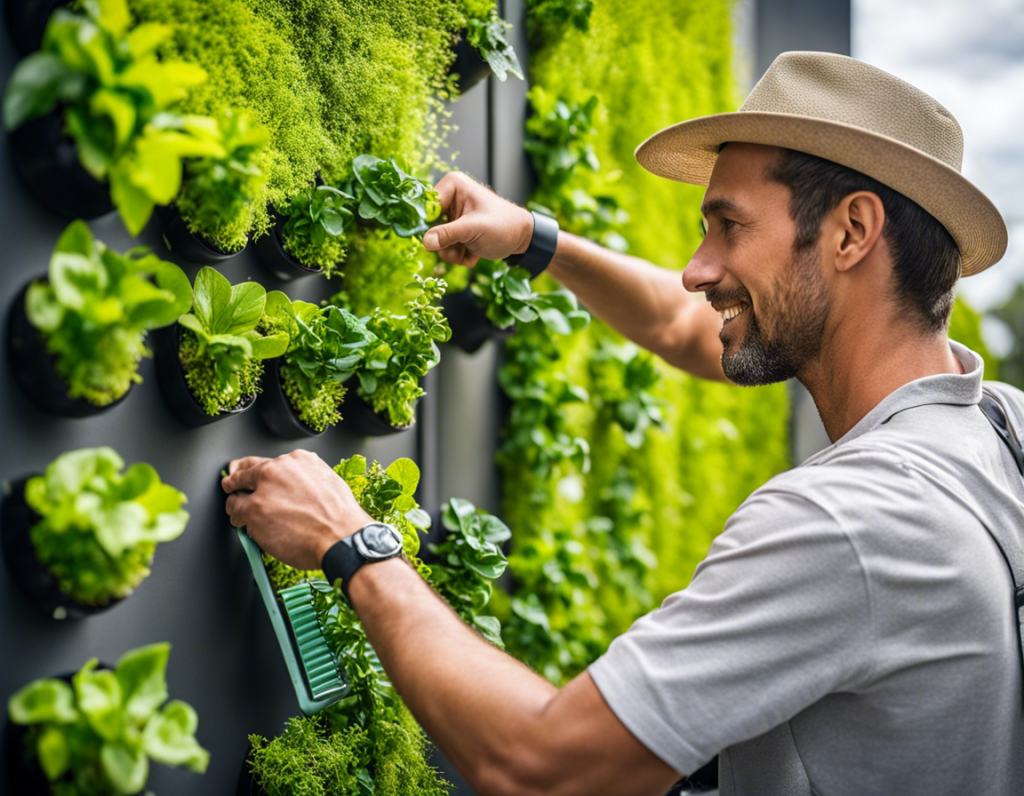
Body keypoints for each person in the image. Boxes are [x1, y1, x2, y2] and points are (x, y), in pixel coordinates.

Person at [222, 51, 1024, 795]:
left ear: (852, 231)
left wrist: (351, 544)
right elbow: (687, 328)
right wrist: (535, 240)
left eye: (729, 225)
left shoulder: (849, 524)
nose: (696, 267)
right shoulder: (995, 432)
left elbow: (540, 765)